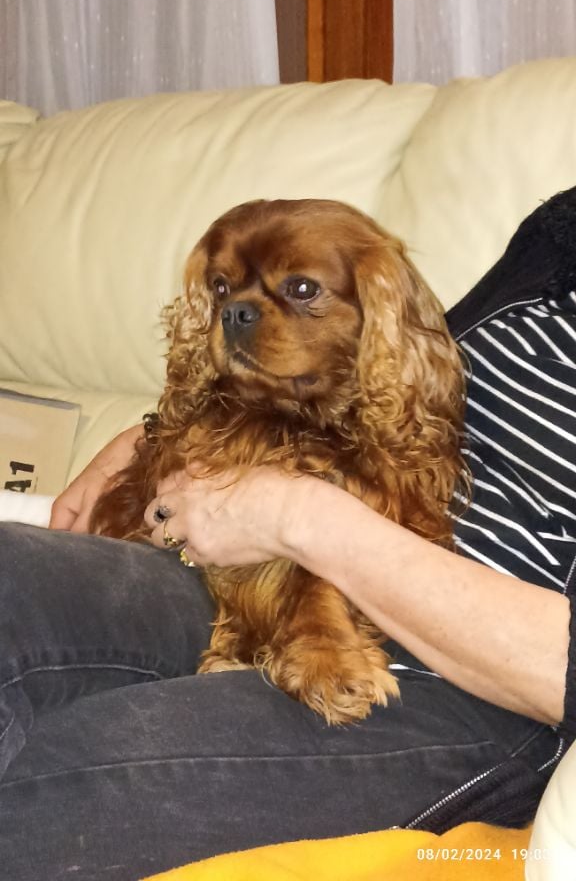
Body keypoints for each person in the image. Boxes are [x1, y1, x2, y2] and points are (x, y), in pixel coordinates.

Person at [1, 191, 575, 881]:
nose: (241, 311)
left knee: (60, 784)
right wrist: (161, 438)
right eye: (226, 293)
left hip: (466, 686)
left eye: (298, 289)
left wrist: (298, 517)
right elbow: (396, 361)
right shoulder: (561, 229)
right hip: (254, 555)